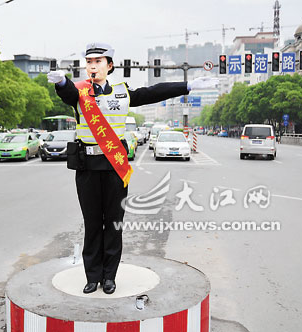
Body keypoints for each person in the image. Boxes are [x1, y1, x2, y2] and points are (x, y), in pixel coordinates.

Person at [48, 43, 217, 294]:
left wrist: (187, 86)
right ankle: (92, 276)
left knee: (114, 223)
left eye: (97, 61)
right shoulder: (80, 91)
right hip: (88, 168)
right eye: (89, 61)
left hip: (115, 166)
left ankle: (109, 277)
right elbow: (68, 93)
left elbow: (153, 91)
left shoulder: (122, 91)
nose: (92, 65)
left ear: (109, 65)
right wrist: (61, 83)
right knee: (92, 223)